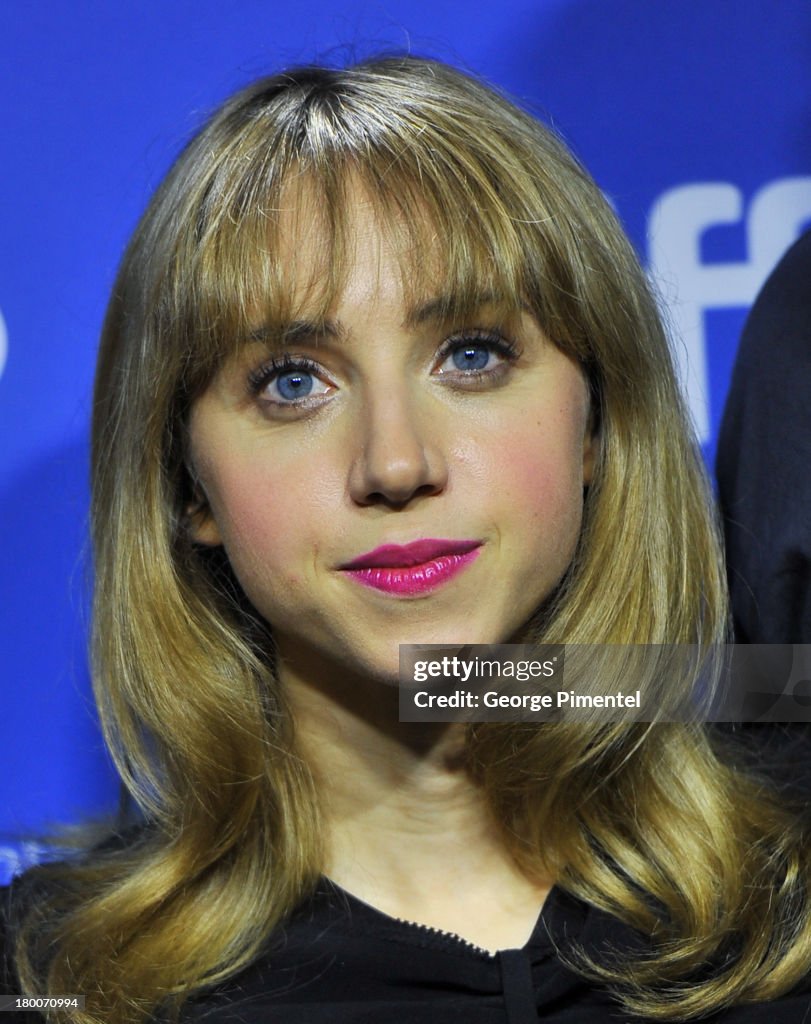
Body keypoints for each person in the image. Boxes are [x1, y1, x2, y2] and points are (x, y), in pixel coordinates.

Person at [3, 56, 810, 1023]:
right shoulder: (53, 981)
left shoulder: (786, 904)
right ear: (187, 487)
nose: (394, 462)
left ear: (595, 425)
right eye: (293, 382)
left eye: (471, 357)